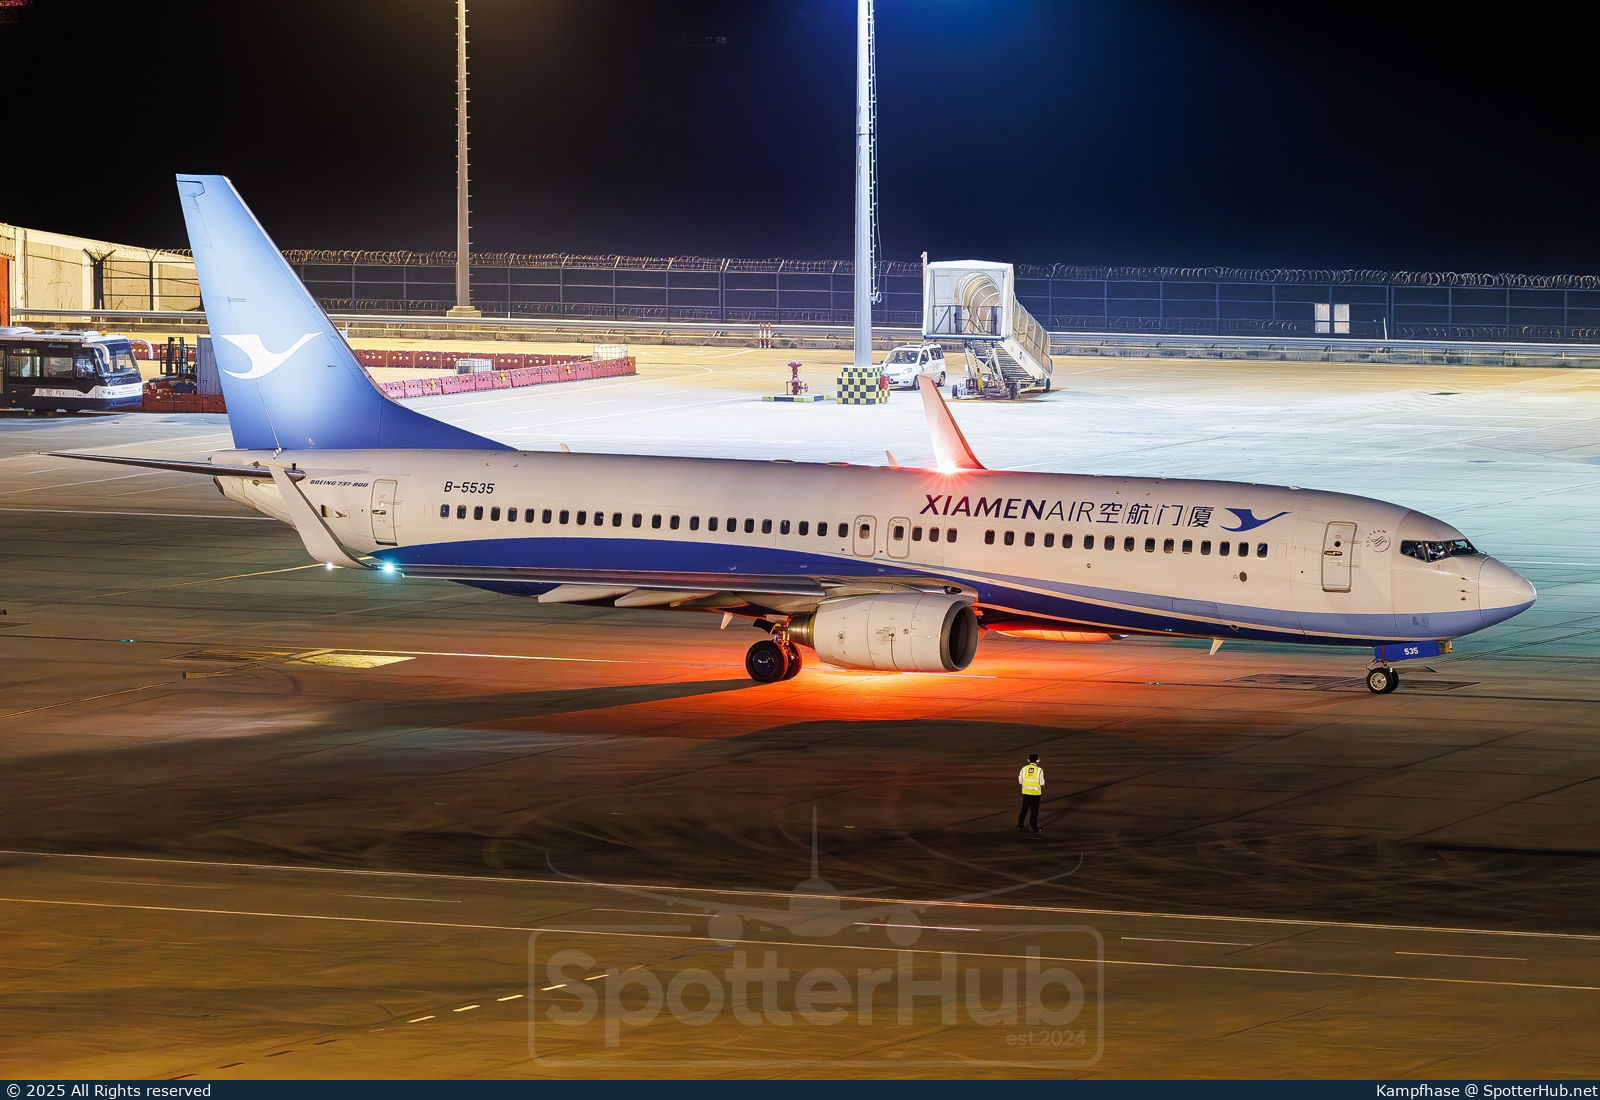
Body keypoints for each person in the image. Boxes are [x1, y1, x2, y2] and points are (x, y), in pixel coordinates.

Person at [1017, 753, 1044, 834]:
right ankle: (1033, 827)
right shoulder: (1039, 770)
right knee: (1034, 812)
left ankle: (1020, 825)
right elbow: (1041, 782)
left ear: (1029, 760)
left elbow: (1020, 780)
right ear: (1036, 761)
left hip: (1026, 793)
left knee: (1024, 810)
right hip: (1036, 794)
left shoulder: (1024, 769)